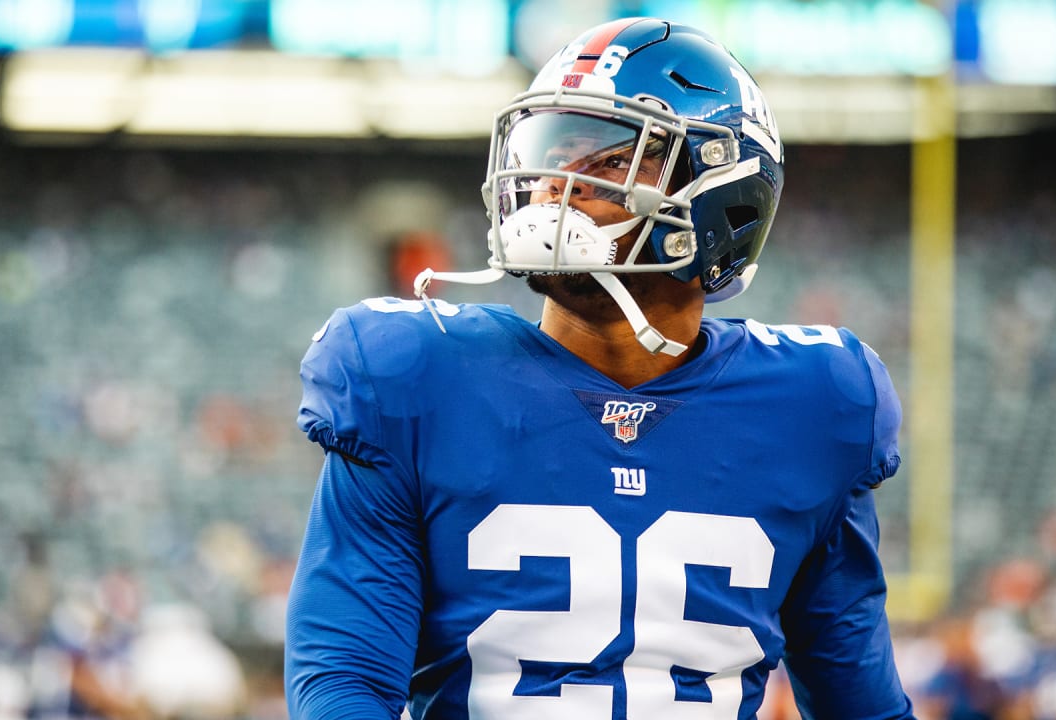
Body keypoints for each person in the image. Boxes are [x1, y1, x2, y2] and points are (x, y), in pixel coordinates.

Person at [286, 16, 915, 720]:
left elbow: (861, 706)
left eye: (612, 161)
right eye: (555, 151)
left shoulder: (816, 404)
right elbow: (343, 685)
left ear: (723, 193)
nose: (558, 185)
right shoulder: (412, 376)